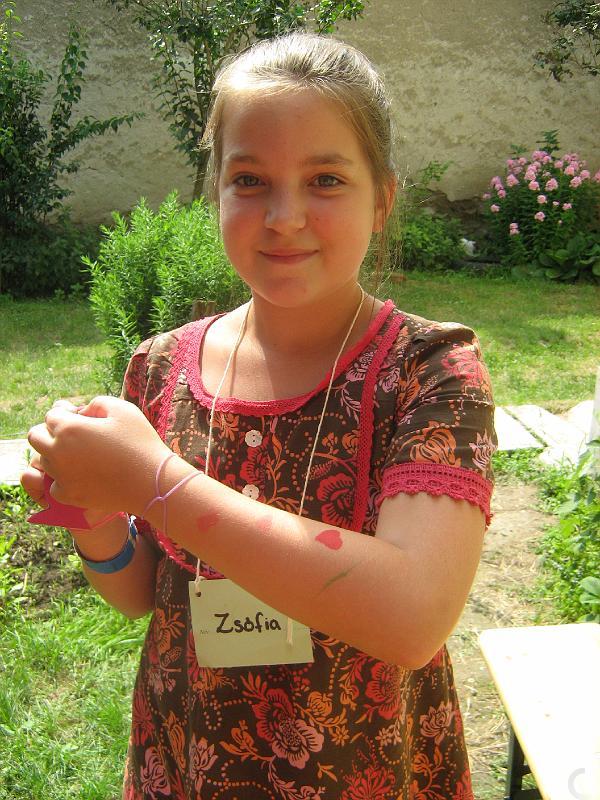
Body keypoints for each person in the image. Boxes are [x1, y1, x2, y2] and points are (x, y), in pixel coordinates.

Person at [22, 32, 497, 800]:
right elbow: (144, 594)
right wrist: (95, 515)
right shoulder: (159, 366)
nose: (284, 216)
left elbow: (414, 617)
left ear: (382, 199)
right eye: (249, 179)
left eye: (326, 180)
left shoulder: (429, 371)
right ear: (215, 191)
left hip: (363, 770)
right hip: (189, 759)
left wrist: (153, 480)